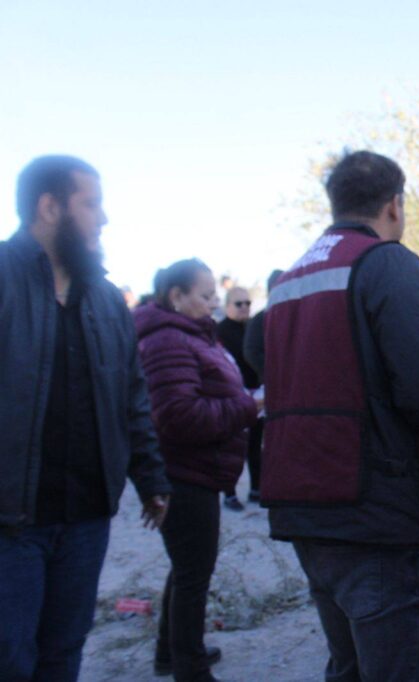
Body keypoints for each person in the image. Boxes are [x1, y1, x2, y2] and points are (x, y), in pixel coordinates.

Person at [261, 150, 419, 681]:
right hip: (373, 509)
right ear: (395, 205)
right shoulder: (386, 262)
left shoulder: (291, 277)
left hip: (304, 507)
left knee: (350, 666)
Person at [0, 155, 171, 681]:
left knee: (64, 651)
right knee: (10, 656)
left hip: (86, 517)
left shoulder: (104, 297)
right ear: (49, 207)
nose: (104, 219)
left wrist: (150, 477)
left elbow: (131, 395)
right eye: (91, 204)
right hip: (11, 522)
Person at [134, 259, 257, 681]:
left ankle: (172, 653)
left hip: (193, 471)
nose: (213, 305)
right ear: (176, 297)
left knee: (187, 566)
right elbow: (178, 416)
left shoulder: (188, 335)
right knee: (193, 573)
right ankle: (190, 669)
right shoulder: (169, 340)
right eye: (205, 297)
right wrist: (248, 405)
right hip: (184, 473)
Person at [216, 286, 263, 510]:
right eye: (238, 303)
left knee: (256, 444)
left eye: (247, 303)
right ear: (227, 306)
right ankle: (229, 493)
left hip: (257, 394)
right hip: (232, 396)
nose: (244, 307)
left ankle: (256, 489)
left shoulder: (254, 326)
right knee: (231, 446)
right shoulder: (219, 331)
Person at [242, 269, 283, 382]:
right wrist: (276, 371)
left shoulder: (295, 313)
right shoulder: (260, 319)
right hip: (274, 382)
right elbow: (251, 352)